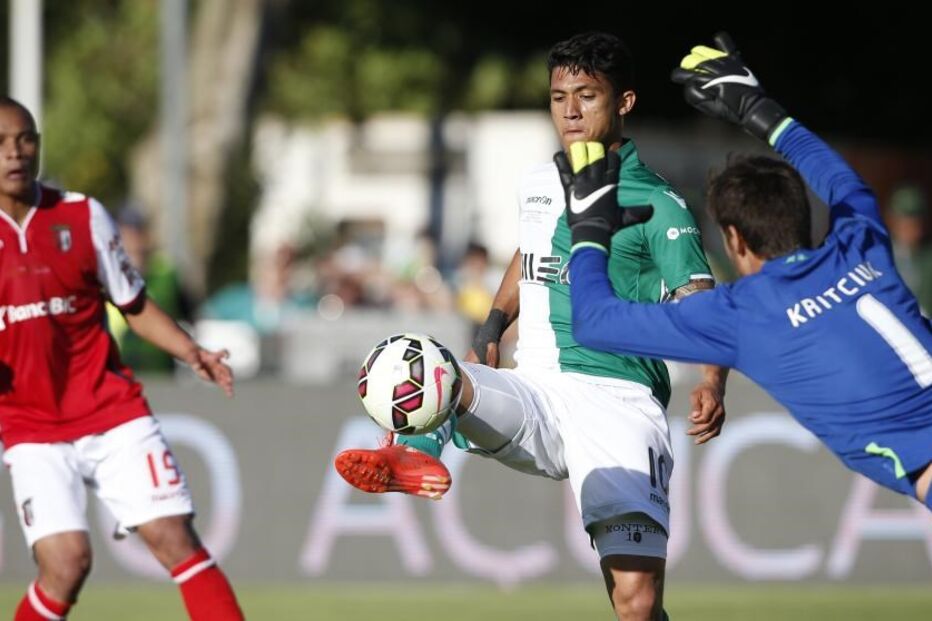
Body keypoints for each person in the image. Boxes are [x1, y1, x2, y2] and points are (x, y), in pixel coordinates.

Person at [336, 32, 729, 620]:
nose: (569, 111)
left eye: (587, 96)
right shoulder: (540, 182)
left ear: (623, 102)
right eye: (558, 97)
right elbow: (529, 256)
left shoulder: (656, 203)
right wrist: (495, 319)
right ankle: (412, 450)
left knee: (636, 603)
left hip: (618, 403)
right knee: (436, 364)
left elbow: (701, 299)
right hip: (538, 388)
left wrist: (712, 382)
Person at [565, 34, 932, 512]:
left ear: (735, 240)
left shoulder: (741, 314)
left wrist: (590, 227)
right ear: (802, 214)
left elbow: (593, 321)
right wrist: (759, 109)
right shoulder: (862, 246)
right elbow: (842, 180)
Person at [0, 96, 244, 620]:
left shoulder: (81, 216)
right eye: (1, 144)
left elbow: (132, 303)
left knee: (173, 537)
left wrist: (191, 350)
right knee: (66, 564)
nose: (15, 153)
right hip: (31, 426)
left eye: (24, 140)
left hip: (110, 410)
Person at [107, 205, 193, 373]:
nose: (134, 239)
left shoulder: (166, 273)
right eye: (128, 232)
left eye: (139, 232)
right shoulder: (106, 273)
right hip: (119, 373)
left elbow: (189, 314)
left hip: (162, 373)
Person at [887, 184, 932, 314]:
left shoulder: (928, 257)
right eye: (904, 221)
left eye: (915, 221)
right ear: (892, 220)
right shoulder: (880, 255)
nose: (910, 228)